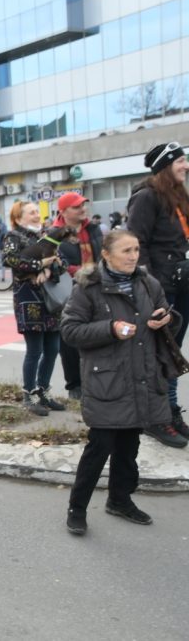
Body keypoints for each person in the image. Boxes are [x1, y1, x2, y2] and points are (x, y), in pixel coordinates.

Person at [61, 230, 178, 535]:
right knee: (99, 447)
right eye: (126, 250)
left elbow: (166, 313)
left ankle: (120, 500)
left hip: (142, 377)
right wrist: (110, 329)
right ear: (106, 255)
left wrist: (163, 318)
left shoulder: (147, 282)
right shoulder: (89, 288)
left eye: (136, 249)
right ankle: (78, 507)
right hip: (107, 381)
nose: (133, 255)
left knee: (129, 445)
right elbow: (70, 331)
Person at [126, 141, 189, 447]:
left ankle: (171, 413)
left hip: (182, 284)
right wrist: (152, 290)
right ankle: (156, 419)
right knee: (159, 355)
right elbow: (136, 246)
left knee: (173, 353)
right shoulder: (147, 197)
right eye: (180, 161)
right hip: (161, 289)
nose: (186, 166)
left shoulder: (177, 196)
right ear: (166, 165)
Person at [3, 201, 66, 416]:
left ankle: (44, 391)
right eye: (31, 212)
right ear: (19, 218)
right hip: (28, 300)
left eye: (37, 211)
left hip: (51, 299)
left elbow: (62, 260)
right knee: (35, 350)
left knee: (53, 348)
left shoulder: (47, 235)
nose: (37, 215)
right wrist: (39, 265)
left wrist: (49, 271)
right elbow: (10, 259)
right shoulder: (13, 237)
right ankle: (29, 393)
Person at [53, 192, 102, 401]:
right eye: (76, 207)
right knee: (70, 339)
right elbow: (54, 263)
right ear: (63, 212)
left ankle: (96, 380)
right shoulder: (54, 233)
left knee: (98, 334)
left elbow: (103, 253)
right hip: (70, 289)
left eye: (83, 205)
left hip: (97, 286)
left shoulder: (93, 228)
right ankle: (74, 384)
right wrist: (81, 271)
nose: (82, 209)